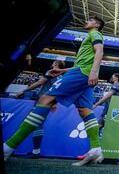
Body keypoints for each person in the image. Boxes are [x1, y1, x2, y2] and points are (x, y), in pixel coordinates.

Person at [3, 16, 105, 166]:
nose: (86, 21)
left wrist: (94, 72)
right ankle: (96, 149)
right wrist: (62, 70)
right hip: (83, 73)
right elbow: (83, 62)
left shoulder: (94, 34)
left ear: (96, 24)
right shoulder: (90, 37)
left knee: (45, 100)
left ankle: (8, 147)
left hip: (82, 73)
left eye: (90, 20)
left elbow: (100, 52)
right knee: (85, 110)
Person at [15, 60, 65, 158]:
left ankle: (35, 152)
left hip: (43, 99)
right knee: (37, 123)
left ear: (55, 64)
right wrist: (55, 102)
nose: (52, 64)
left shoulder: (51, 71)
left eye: (54, 63)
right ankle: (35, 151)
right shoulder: (61, 76)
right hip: (50, 100)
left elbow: (40, 82)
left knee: (34, 123)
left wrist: (24, 90)